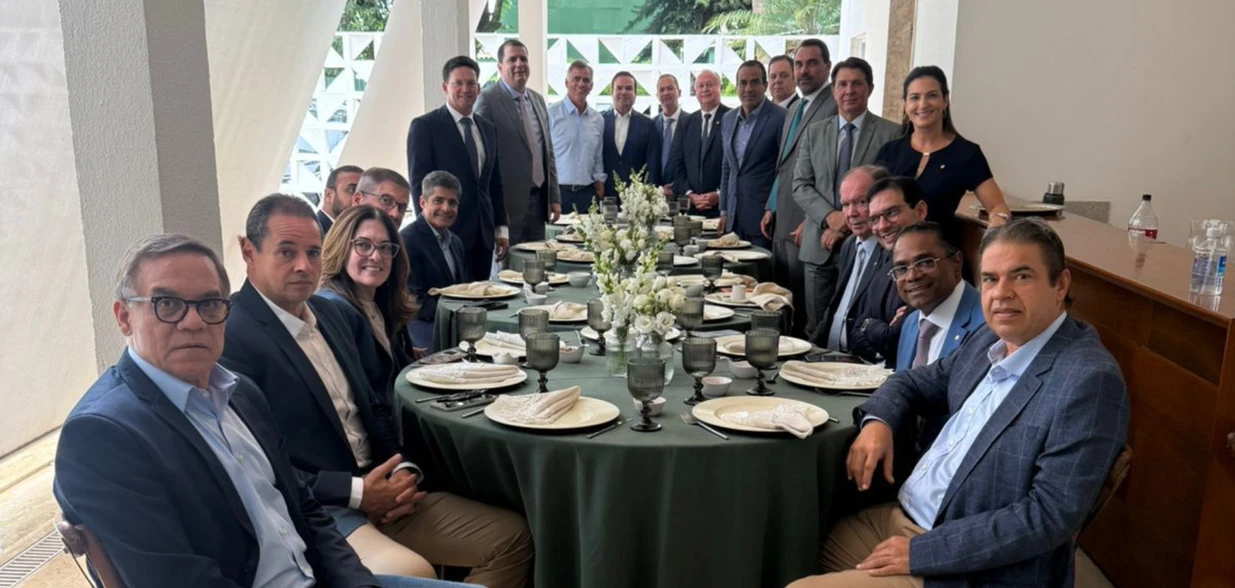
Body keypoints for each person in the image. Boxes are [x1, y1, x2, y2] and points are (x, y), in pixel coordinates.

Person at [53, 233, 469, 588]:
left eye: (209, 304)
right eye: (167, 304)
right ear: (124, 317)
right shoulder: (102, 436)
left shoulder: (240, 393)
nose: (193, 322)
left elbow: (305, 510)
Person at [790, 217, 1129, 587]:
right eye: (990, 279)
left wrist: (924, 552)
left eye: (1021, 276)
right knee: (795, 539)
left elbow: (1048, 515)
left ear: (1060, 284)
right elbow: (911, 381)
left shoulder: (1089, 379)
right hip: (905, 518)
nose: (1001, 293)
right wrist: (878, 423)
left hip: (970, 564)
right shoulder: (990, 339)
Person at [221, 195, 533, 586]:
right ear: (248, 252)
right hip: (320, 510)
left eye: (313, 252)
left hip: (382, 487)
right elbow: (255, 464)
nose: (303, 265)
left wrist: (402, 472)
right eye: (286, 252)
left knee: (513, 536)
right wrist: (358, 493)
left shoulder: (335, 315)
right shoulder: (231, 337)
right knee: (414, 571)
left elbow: (375, 409)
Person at [794, 57, 901, 338]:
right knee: (817, 327)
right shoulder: (814, 132)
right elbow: (800, 184)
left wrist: (847, 224)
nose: (849, 90)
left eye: (857, 84)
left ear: (870, 88)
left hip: (869, 246)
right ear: (833, 90)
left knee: (856, 326)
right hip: (819, 244)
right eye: (842, 84)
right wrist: (832, 218)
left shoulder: (891, 133)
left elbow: (889, 190)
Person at [876, 65, 1011, 245]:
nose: (923, 104)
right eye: (915, 97)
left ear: (945, 100)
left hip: (936, 253)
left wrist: (997, 224)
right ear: (905, 105)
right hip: (888, 249)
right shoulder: (889, 151)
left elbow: (997, 206)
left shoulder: (966, 153)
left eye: (932, 96)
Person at [407, 56, 507, 282]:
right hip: (446, 233)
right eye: (458, 83)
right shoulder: (425, 126)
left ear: (478, 88)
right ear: (445, 87)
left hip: (483, 235)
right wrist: (427, 234)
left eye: (471, 83)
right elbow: (418, 183)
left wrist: (501, 229)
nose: (465, 89)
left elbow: (495, 183)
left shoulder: (488, 129)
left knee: (481, 295)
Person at [762, 39, 839, 334]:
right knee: (782, 301)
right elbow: (784, 165)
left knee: (805, 309)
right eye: (799, 64)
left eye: (812, 63)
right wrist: (771, 205)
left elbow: (831, 173)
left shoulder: (834, 106)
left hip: (807, 224)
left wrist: (813, 219)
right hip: (782, 217)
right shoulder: (795, 108)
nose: (804, 70)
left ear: (827, 67)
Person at [318, 205, 420, 408]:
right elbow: (363, 398)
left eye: (385, 247)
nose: (376, 256)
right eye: (363, 245)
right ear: (341, 247)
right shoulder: (333, 309)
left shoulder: (380, 302)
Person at [474, 39, 560, 245]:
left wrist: (554, 197)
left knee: (537, 260)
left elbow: (547, 153)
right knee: (509, 262)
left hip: (539, 202)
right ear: (500, 67)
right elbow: (482, 158)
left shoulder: (538, 100)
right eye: (512, 59)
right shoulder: (487, 100)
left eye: (523, 59)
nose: (519, 64)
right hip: (507, 206)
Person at [847, 176, 926, 365]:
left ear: (920, 211)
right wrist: (878, 332)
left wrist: (871, 327)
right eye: (874, 219)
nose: (882, 226)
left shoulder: (935, 268)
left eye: (891, 213)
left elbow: (896, 340)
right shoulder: (885, 268)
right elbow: (855, 334)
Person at [811, 165, 889, 353]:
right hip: (829, 355)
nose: (851, 213)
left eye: (861, 202)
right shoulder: (849, 244)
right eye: (845, 205)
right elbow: (835, 309)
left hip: (860, 361)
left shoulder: (892, 254)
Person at [891, 222, 984, 372]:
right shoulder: (910, 323)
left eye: (925, 262)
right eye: (902, 269)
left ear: (956, 262)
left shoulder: (985, 325)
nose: (912, 276)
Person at [719, 60, 786, 249]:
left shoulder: (781, 117)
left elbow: (784, 170)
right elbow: (727, 168)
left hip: (763, 220)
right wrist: (724, 210)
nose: (748, 88)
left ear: (765, 85)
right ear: (736, 86)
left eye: (754, 82)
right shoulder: (728, 119)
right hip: (733, 218)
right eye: (743, 83)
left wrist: (772, 207)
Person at [401, 171, 468, 349]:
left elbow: (462, 290)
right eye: (438, 200)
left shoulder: (456, 242)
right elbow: (414, 300)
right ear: (422, 202)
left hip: (454, 327)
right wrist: (461, 311)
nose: (446, 208)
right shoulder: (407, 241)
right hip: (423, 334)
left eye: (452, 203)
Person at [548, 60, 606, 214]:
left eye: (586, 80)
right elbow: (542, 157)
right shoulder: (550, 115)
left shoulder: (598, 119)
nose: (581, 84)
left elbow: (597, 156)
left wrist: (600, 182)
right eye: (576, 79)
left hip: (587, 195)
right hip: (558, 194)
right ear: (566, 83)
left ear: (591, 86)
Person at [668, 70, 728, 218]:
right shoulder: (685, 123)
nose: (705, 89)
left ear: (720, 88)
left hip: (722, 209)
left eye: (710, 84)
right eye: (700, 86)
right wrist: (689, 194)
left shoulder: (731, 118)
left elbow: (735, 165)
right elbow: (677, 164)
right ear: (695, 91)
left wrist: (720, 194)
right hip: (691, 209)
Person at [602, 71, 661, 198]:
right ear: (611, 92)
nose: (623, 92)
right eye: (619, 88)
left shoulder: (648, 125)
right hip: (604, 196)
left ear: (635, 94)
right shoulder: (600, 122)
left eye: (628, 88)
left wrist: (649, 195)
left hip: (637, 199)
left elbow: (653, 165)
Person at [653, 73, 685, 196]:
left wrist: (677, 186)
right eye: (661, 90)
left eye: (670, 88)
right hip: (655, 195)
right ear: (657, 96)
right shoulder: (651, 125)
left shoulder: (691, 122)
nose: (666, 93)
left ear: (679, 92)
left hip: (683, 194)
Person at [320, 165, 364, 236]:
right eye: (352, 190)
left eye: (364, 193)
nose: (359, 198)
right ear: (328, 195)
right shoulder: (313, 233)